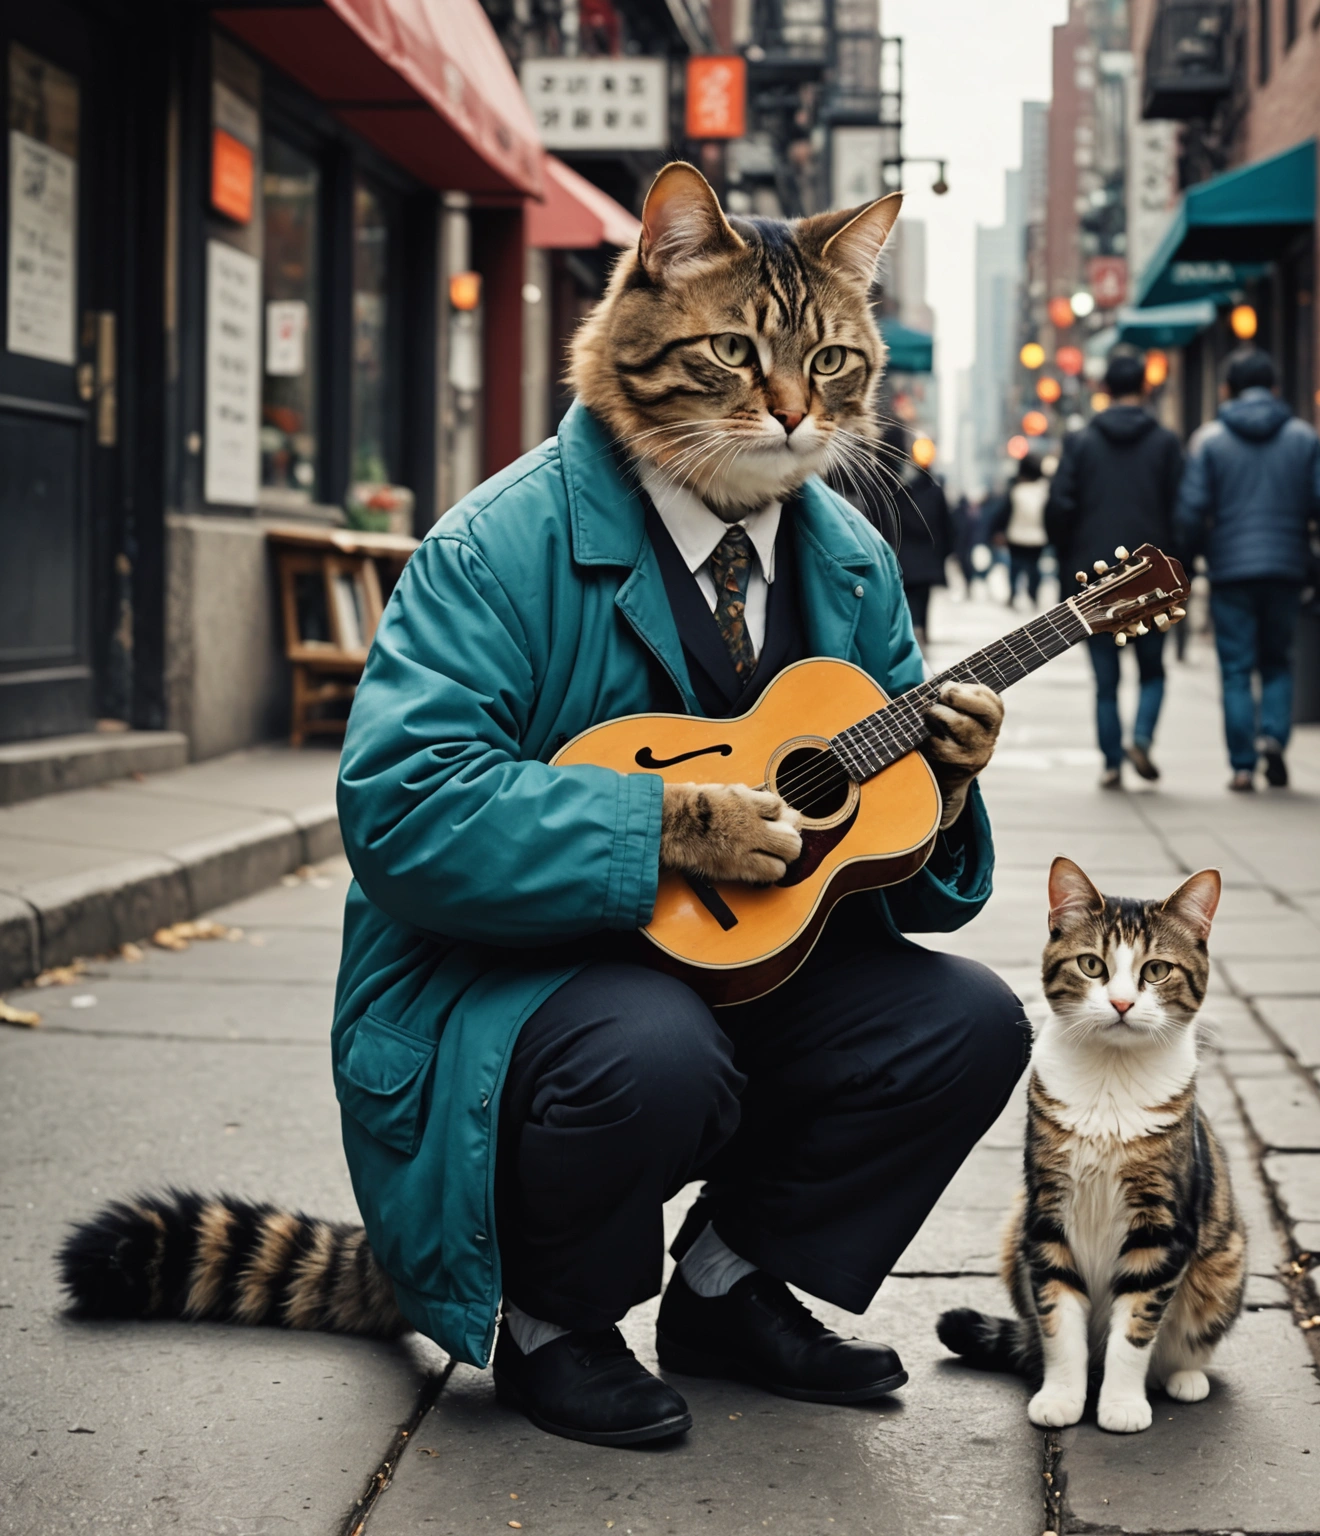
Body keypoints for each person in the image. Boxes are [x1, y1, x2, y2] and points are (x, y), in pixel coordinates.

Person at [333, 164, 1026, 1451]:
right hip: (499, 992)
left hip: (732, 964)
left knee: (966, 1024)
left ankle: (726, 1286)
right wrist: (659, 831)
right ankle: (553, 1316)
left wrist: (948, 782)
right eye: (733, 360)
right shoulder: (498, 546)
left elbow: (889, 871)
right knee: (652, 1047)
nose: (784, 409)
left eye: (826, 366)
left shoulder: (855, 561)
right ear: (649, 294)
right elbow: (402, 811)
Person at [1175, 348, 1320, 791]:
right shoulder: (1303, 437)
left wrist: (1190, 562)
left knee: (1234, 668)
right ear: (1274, 387)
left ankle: (1243, 764)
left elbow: (1191, 510)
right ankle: (1273, 736)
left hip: (1230, 569)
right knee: (1277, 662)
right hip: (1287, 566)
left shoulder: (1209, 441)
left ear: (1228, 388)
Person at [1045, 352, 1185, 788]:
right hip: (1151, 577)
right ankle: (1141, 736)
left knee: (1105, 681)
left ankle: (1111, 762)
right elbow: (1182, 512)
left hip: (1097, 577)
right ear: (1145, 387)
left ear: (1103, 389)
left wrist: (1068, 560)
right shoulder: (1165, 443)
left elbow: (1059, 509)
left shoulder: (1082, 442)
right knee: (1153, 670)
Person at [894, 453, 953, 643]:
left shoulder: (901, 492)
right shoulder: (935, 491)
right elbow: (947, 525)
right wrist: (944, 552)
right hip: (928, 555)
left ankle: (912, 629)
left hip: (905, 555)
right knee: (923, 596)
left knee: (908, 595)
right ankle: (921, 628)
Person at [1004, 454, 1049, 609]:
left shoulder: (1016, 490)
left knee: (1015, 567)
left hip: (1016, 535)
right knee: (1034, 568)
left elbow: (1005, 512)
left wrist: (998, 531)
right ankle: (1033, 594)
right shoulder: (1045, 491)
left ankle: (1013, 594)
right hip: (1038, 536)